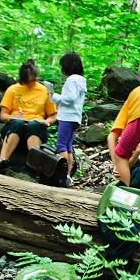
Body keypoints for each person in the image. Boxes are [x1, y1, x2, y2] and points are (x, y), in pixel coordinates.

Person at [0, 60, 57, 172]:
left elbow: (52, 115)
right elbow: (3, 116)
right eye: (27, 81)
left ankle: (35, 166)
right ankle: (2, 161)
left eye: (32, 81)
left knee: (33, 125)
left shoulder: (43, 90)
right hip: (15, 129)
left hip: (35, 130)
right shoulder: (12, 89)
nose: (29, 84)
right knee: (18, 124)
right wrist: (13, 117)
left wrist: (47, 122)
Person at [49, 52, 86, 186]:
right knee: (68, 147)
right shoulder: (80, 80)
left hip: (67, 117)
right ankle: (68, 176)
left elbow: (70, 98)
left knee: (61, 145)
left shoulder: (72, 80)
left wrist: (55, 97)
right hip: (75, 117)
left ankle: (61, 175)